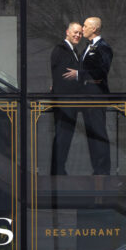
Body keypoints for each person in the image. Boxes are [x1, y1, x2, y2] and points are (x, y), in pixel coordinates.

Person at [76, 16, 112, 174]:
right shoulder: (87, 47)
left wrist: (79, 74)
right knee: (91, 133)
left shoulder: (103, 47)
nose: (82, 29)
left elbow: (101, 71)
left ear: (94, 29)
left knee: (98, 131)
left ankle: (102, 170)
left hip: (96, 95)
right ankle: (96, 168)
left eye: (85, 26)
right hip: (86, 96)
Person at [49, 22, 84, 175]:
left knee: (65, 136)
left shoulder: (73, 50)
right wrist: (80, 76)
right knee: (63, 136)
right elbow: (62, 76)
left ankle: (59, 169)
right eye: (75, 32)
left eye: (80, 33)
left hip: (69, 102)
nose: (77, 35)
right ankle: (58, 170)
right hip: (65, 102)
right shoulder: (61, 49)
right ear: (67, 32)